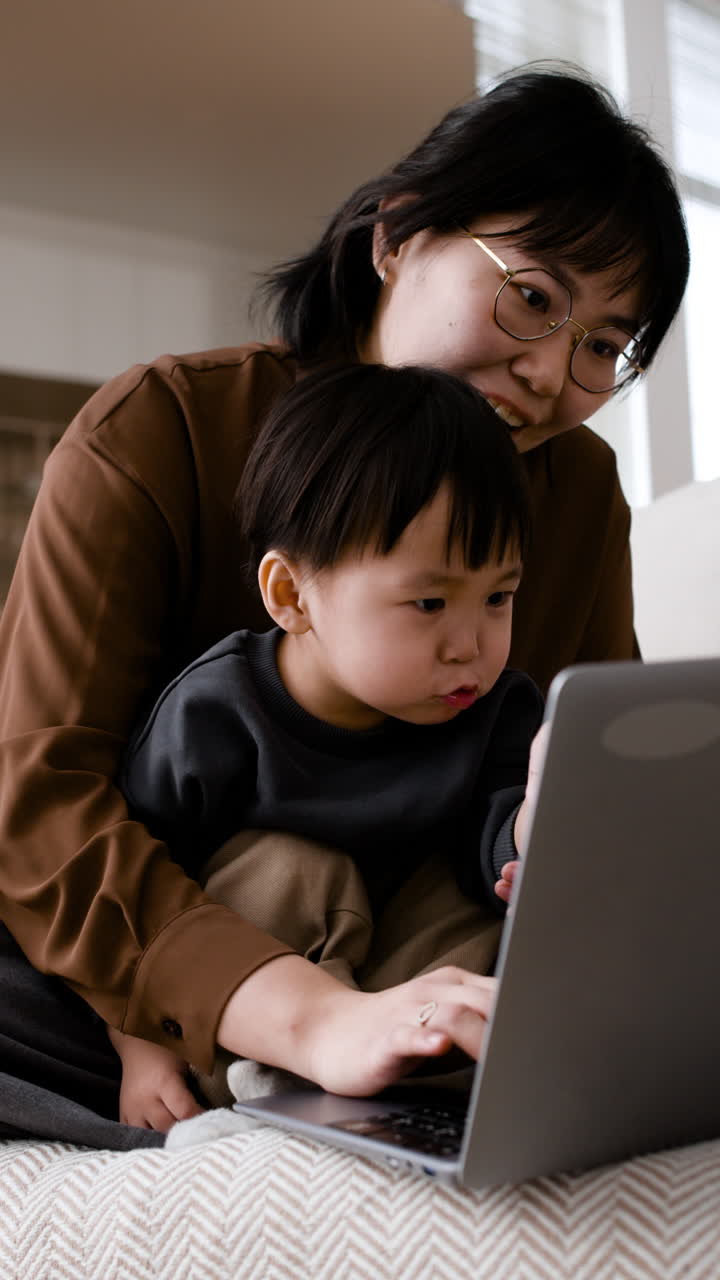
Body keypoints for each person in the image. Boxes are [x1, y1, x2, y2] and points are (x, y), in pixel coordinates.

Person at [0, 64, 689, 1149]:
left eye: (604, 344)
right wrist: (306, 1014)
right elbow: (38, 803)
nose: (553, 372)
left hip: (434, 949)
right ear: (399, 235)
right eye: (535, 295)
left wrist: (568, 830)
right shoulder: (161, 430)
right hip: (186, 943)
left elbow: (577, 785)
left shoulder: (578, 494)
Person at [111, 362, 544, 1126]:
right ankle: (274, 1080)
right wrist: (142, 1050)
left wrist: (529, 831)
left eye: (499, 598)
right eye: (430, 602)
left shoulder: (497, 709)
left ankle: (438, 1073)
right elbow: (132, 902)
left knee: (479, 902)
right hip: (264, 999)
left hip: (401, 982)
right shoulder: (217, 714)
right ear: (291, 595)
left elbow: (494, 837)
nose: (470, 646)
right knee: (297, 867)